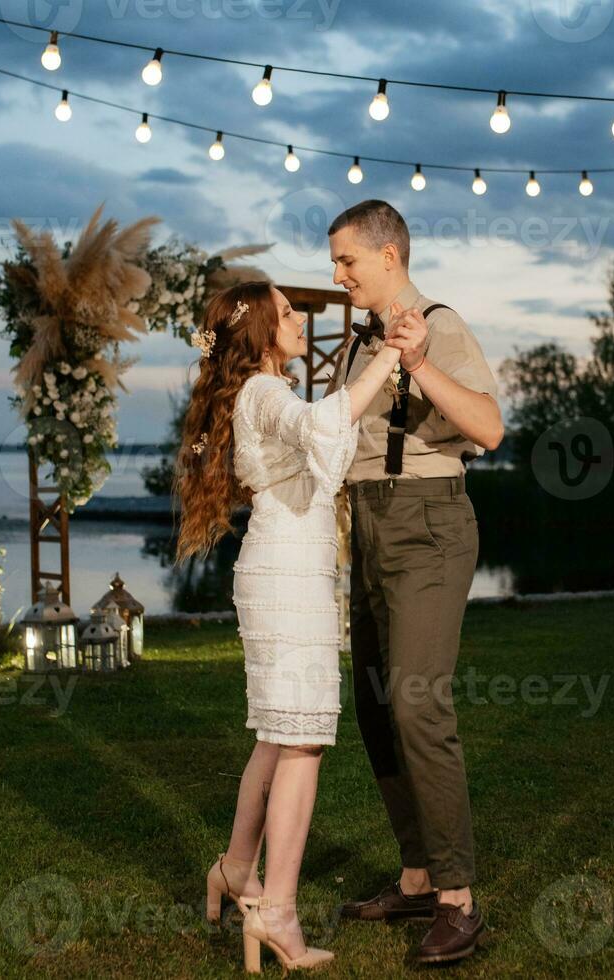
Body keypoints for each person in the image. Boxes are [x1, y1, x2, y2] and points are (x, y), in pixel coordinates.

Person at [173, 280, 417, 972]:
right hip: (285, 580)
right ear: (258, 333)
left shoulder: (262, 392)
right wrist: (386, 360)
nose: (296, 319)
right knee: (303, 743)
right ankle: (277, 909)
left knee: (278, 740)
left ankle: (236, 869)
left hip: (288, 574)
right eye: (285, 312)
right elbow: (322, 430)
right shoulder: (263, 394)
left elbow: (322, 450)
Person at [322, 200, 503, 964]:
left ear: (388, 255)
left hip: (428, 524)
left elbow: (489, 429)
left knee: (419, 703)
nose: (337, 276)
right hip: (365, 525)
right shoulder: (354, 344)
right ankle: (419, 875)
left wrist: (421, 362)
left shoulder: (441, 324)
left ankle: (459, 901)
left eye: (347, 262)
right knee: (374, 705)